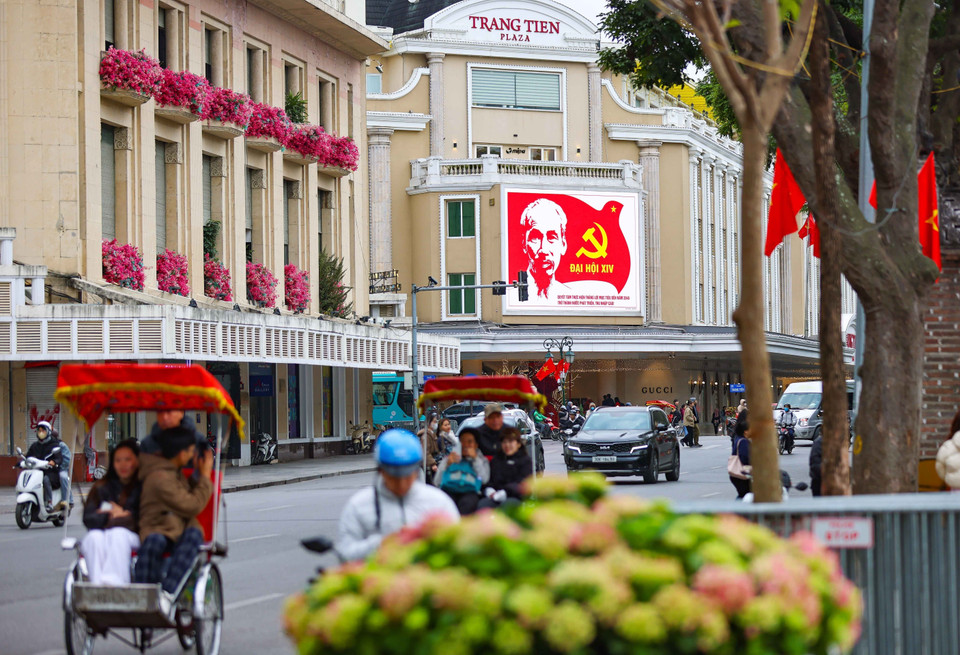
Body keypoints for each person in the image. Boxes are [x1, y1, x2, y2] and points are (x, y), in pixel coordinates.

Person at [336, 429, 459, 561]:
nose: (401, 484)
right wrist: (379, 544)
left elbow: (459, 547)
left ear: (417, 470)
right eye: (393, 477)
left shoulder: (438, 502)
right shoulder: (359, 506)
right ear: (380, 470)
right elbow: (345, 553)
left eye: (407, 476)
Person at [134, 426, 213, 612]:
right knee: (184, 538)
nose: (192, 455)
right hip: (159, 528)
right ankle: (166, 592)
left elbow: (183, 490)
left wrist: (198, 475)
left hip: (171, 527)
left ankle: (166, 591)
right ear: (180, 453)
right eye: (189, 451)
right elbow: (191, 504)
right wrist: (205, 477)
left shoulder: (172, 471)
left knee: (193, 534)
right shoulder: (161, 476)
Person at [81, 439, 141, 585]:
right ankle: (96, 585)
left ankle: (116, 583)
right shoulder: (102, 487)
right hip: (104, 530)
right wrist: (111, 515)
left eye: (128, 459)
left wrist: (125, 515)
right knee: (93, 537)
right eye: (118, 460)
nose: (123, 465)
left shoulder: (144, 485)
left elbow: (145, 516)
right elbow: (89, 517)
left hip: (133, 534)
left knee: (117, 534)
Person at [520, 198, 573, 300]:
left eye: (552, 237)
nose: (543, 250)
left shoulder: (569, 296)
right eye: (535, 237)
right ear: (524, 243)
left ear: (563, 244)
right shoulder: (510, 296)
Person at [436, 429, 490, 515]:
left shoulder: (481, 459)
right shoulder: (450, 458)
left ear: (476, 445)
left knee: (467, 503)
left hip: (469, 492)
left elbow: (484, 479)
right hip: (449, 490)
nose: (465, 445)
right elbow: (437, 482)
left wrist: (475, 460)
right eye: (462, 441)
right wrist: (447, 464)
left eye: (470, 442)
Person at [479, 428, 532, 509]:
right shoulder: (496, 460)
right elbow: (490, 479)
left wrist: (506, 492)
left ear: (518, 444)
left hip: (516, 497)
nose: (507, 445)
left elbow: (522, 483)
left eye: (510, 442)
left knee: (507, 506)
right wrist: (489, 490)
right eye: (504, 442)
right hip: (495, 496)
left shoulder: (525, 461)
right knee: (482, 505)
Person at [26, 420, 63, 512]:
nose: (41, 433)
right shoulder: (35, 445)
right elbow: (28, 456)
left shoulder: (54, 444)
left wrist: (54, 462)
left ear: (48, 432)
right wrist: (24, 461)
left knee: (46, 479)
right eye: (39, 431)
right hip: (37, 471)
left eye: (43, 431)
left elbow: (59, 458)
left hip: (51, 472)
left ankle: (49, 502)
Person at [729, 411, 751, 499]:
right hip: (742, 472)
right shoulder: (742, 441)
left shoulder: (739, 437)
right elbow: (745, 457)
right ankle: (737, 510)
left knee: (744, 495)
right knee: (745, 495)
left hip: (738, 473)